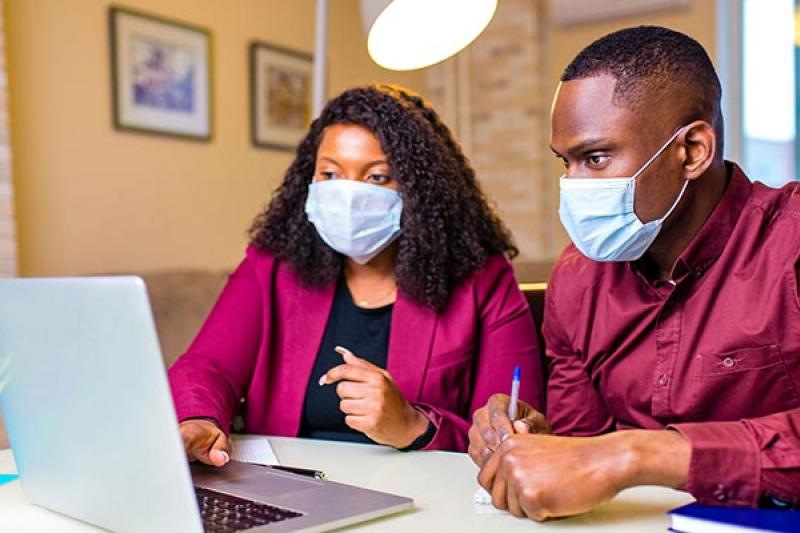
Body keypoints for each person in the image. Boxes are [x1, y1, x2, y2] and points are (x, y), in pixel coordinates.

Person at [468, 26, 800, 520]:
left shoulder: (789, 244)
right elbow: (584, 445)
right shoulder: (578, 280)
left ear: (692, 151)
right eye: (566, 162)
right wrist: (539, 447)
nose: (571, 187)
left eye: (595, 158)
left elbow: (611, 459)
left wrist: (635, 455)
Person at [169, 85, 544, 467]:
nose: (348, 194)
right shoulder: (271, 266)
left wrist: (415, 425)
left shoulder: (484, 280)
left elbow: (513, 427)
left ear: (421, 190)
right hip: (288, 492)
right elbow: (207, 366)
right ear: (308, 183)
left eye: (378, 177)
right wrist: (199, 419)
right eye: (330, 173)